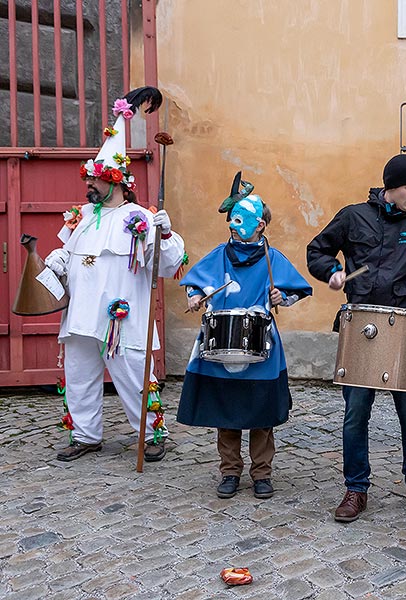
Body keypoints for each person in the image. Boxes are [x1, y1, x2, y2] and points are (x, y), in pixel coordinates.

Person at [306, 153, 406, 523]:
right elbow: (317, 250)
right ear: (390, 187)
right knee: (356, 412)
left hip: (405, 324)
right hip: (362, 323)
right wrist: (333, 271)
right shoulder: (353, 216)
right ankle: (355, 489)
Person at [43, 87, 185, 463]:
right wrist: (57, 260)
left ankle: (153, 433)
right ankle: (86, 435)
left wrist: (166, 235)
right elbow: (67, 252)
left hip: (121, 318)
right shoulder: (82, 216)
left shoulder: (139, 218)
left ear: (116, 182)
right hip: (80, 316)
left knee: (133, 378)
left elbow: (169, 265)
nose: (89, 185)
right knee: (79, 377)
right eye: (89, 179)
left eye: (96, 180)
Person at [177, 175, 312, 500]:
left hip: (261, 345)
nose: (234, 227)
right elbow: (196, 284)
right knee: (227, 412)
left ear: (260, 225)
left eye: (241, 221)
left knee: (261, 414)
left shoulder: (272, 259)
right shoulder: (219, 255)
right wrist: (195, 296)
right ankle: (230, 471)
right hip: (219, 344)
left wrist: (283, 298)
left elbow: (297, 290)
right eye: (231, 221)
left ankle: (262, 473)